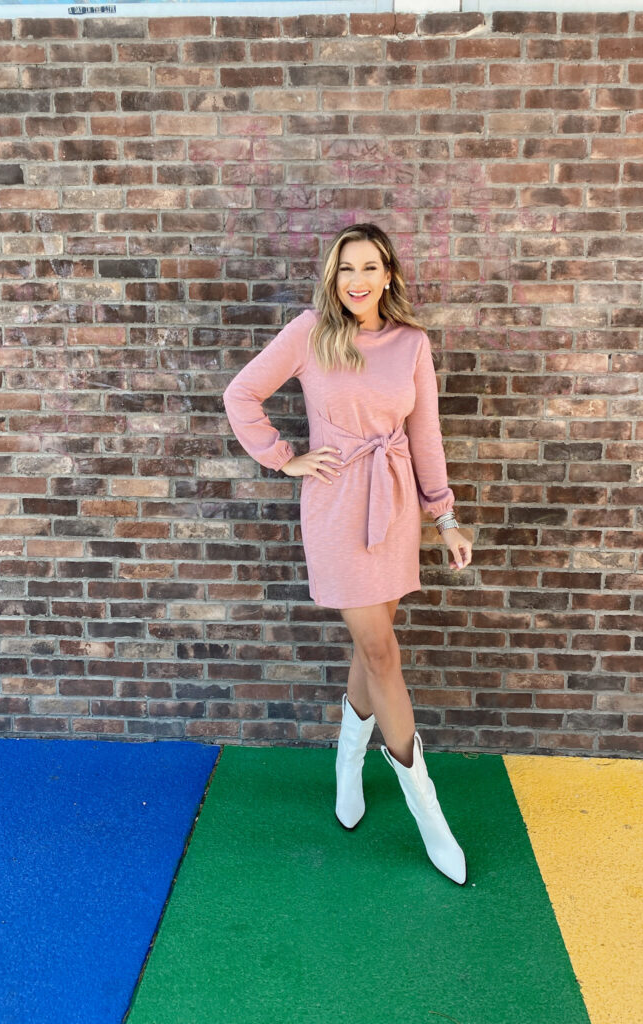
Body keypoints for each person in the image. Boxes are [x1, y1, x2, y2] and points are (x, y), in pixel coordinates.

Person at [222, 222, 474, 885]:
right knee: (383, 651)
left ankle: (348, 759)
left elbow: (426, 435)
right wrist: (285, 457)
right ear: (333, 278)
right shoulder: (311, 331)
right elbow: (241, 394)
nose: (356, 280)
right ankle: (428, 811)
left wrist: (445, 518)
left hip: (394, 507)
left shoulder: (411, 343)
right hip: (336, 508)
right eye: (345, 269)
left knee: (374, 644)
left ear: (388, 275)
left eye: (369, 267)